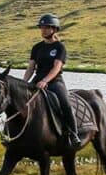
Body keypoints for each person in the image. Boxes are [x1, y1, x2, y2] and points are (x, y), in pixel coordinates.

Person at [22, 13, 81, 149]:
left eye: (46, 27)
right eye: (41, 27)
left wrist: (45, 80)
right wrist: (24, 82)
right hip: (38, 79)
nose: (43, 30)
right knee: (20, 100)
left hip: (55, 81)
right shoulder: (36, 47)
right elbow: (31, 67)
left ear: (54, 29)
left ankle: (74, 134)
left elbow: (56, 67)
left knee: (65, 103)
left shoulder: (59, 47)